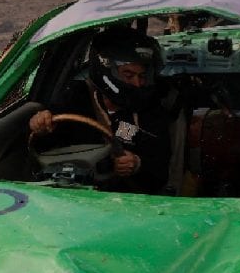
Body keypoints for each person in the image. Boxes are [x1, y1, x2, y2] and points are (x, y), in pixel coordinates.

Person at [29, 25, 174, 193]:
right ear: (105, 69)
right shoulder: (75, 97)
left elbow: (162, 165)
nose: (137, 84)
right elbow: (48, 139)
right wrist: (41, 124)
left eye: (142, 76)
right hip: (72, 192)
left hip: (127, 198)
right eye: (128, 75)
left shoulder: (149, 109)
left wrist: (137, 163)